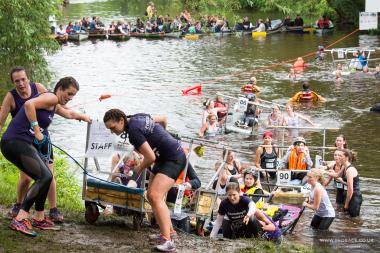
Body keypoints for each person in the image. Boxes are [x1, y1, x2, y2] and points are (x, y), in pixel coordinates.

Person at [1, 76, 90, 236]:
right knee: (45, 176)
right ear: (60, 88)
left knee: (45, 177)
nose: (69, 98)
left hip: (18, 143)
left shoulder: (54, 104)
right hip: (15, 142)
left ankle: (39, 217)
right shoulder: (51, 97)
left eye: (73, 96)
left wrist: (84, 118)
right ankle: (20, 219)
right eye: (69, 94)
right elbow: (29, 104)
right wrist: (36, 130)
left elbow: (69, 114)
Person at [103, 110, 190, 251]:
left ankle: (168, 242)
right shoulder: (136, 117)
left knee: (155, 196)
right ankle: (169, 232)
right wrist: (163, 138)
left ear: (121, 120)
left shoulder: (133, 132)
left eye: (113, 128)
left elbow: (150, 158)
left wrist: (137, 170)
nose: (112, 132)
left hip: (174, 158)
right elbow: (163, 118)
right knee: (152, 195)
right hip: (164, 157)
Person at [210, 183, 282, 242]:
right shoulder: (224, 203)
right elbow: (218, 222)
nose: (232, 198)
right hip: (236, 224)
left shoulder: (244, 200)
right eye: (229, 195)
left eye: (234, 195)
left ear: (239, 193)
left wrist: (248, 215)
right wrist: (212, 238)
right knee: (225, 226)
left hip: (249, 222)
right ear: (227, 194)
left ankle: (257, 238)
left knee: (252, 218)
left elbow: (253, 206)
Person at [328, 149, 362, 217]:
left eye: (340, 156)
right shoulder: (344, 166)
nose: (338, 157)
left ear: (346, 157)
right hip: (348, 195)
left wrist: (346, 204)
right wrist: (324, 172)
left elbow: (350, 190)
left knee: (353, 219)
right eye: (337, 155)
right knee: (346, 218)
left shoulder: (349, 170)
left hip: (354, 197)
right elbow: (337, 175)